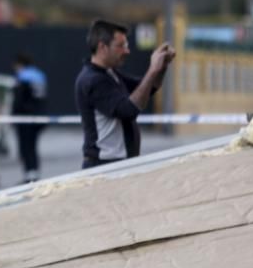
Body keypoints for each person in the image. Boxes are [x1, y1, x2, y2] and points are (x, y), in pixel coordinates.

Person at [74, 19, 176, 169]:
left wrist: (162, 66)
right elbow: (129, 110)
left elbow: (148, 88)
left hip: (117, 164)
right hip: (104, 166)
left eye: (126, 45)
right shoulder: (93, 80)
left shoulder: (108, 73)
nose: (127, 51)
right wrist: (152, 70)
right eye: (121, 46)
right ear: (102, 47)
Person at [11, 53, 48, 182]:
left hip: (24, 118)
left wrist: (13, 116)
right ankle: (34, 172)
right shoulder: (39, 75)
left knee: (25, 146)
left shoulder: (22, 77)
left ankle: (29, 174)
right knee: (33, 146)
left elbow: (18, 101)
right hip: (39, 116)